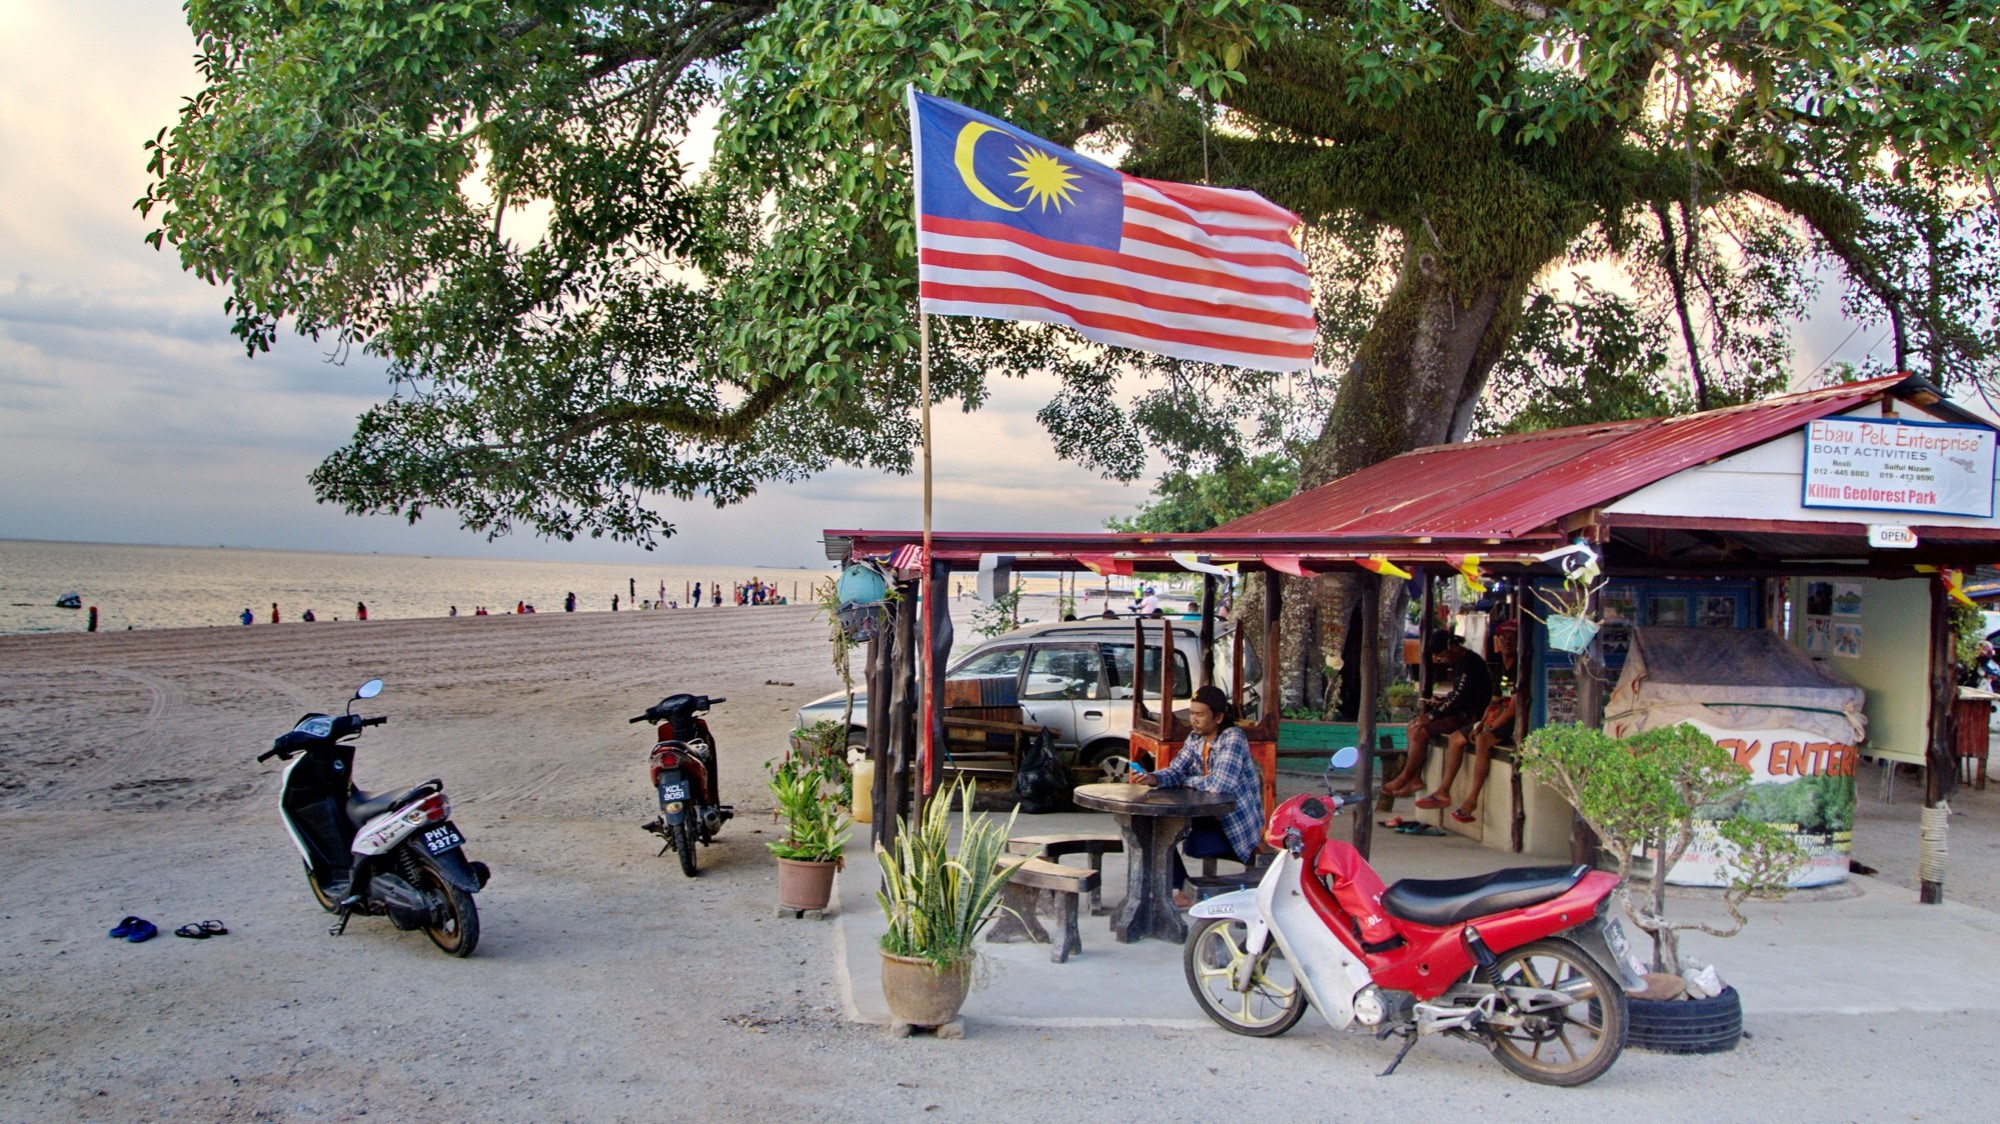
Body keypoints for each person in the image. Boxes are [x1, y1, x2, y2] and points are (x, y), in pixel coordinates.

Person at [1129, 684, 1263, 908]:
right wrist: (1154, 778)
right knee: (1151, 829)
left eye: (1200, 714)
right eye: (1192, 713)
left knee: (1185, 844)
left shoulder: (1233, 738)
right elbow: (1176, 770)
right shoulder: (1195, 739)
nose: (1194, 720)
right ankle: (1182, 889)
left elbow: (1220, 785)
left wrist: (1185, 781)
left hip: (1235, 829)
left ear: (1219, 717)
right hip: (1208, 818)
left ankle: (1186, 891)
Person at [1416, 619, 1525, 823]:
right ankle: (1443, 790)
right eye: (1504, 638)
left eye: (1512, 638)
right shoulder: (1500, 667)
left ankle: (1471, 800)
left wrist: (1490, 727)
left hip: (1513, 721)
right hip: (1494, 716)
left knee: (1483, 741)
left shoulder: (1521, 668)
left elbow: (1513, 709)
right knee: (1456, 738)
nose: (1507, 642)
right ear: (1497, 641)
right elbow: (1494, 701)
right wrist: (1481, 723)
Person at [1381, 629, 1493, 798]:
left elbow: (1459, 698)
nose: (1440, 660)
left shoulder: (1471, 663)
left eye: (1440, 655)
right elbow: (1457, 695)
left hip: (1470, 715)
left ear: (1451, 647)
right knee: (1413, 727)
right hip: (1462, 711)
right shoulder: (1461, 662)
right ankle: (1415, 778)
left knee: (1420, 732)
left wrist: (1433, 715)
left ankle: (1405, 776)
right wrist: (1439, 705)